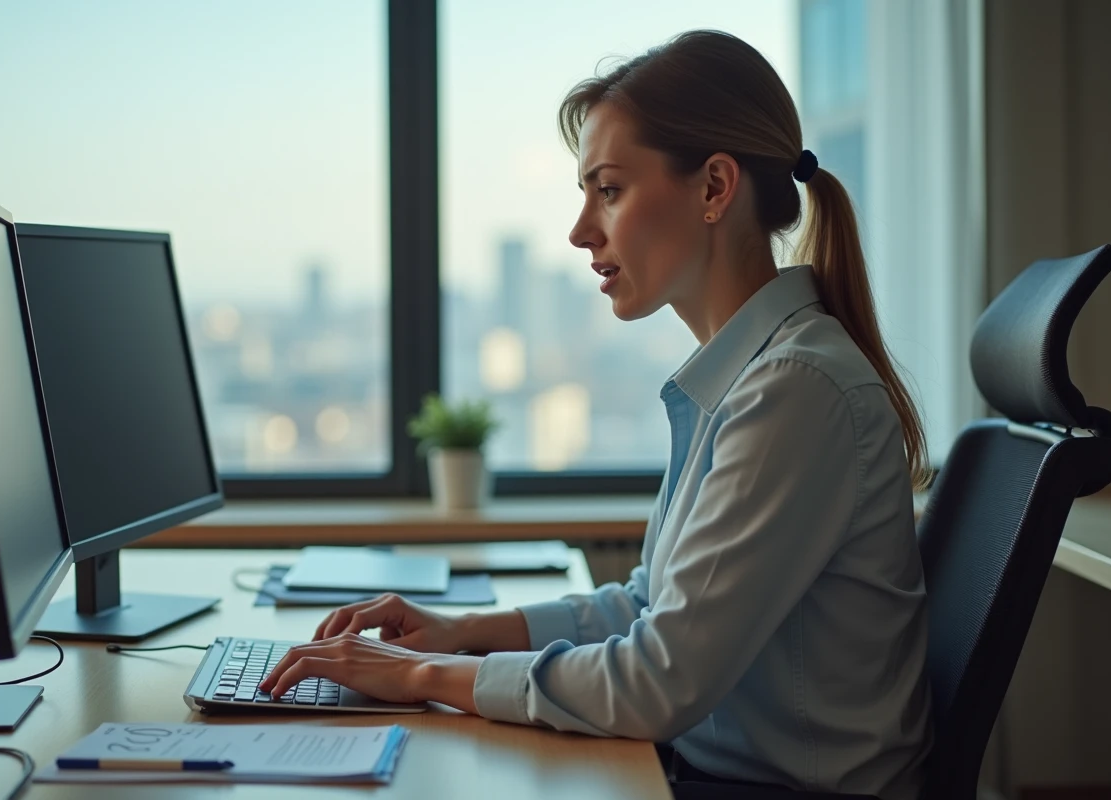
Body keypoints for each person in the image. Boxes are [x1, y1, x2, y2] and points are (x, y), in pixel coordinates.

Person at [261, 29, 932, 799]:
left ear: (715, 188)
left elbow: (656, 682)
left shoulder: (796, 391)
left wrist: (420, 674)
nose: (581, 230)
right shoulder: (751, 378)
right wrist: (462, 634)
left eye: (608, 191)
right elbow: (648, 606)